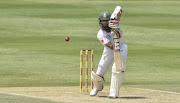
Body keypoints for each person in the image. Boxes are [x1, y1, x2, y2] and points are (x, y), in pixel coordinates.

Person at [90, 6, 128, 98]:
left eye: (106, 20)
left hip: (121, 48)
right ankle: (97, 87)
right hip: (109, 50)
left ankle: (113, 93)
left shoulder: (116, 26)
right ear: (100, 22)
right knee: (98, 74)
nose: (105, 22)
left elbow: (119, 9)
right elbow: (111, 46)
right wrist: (116, 35)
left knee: (118, 68)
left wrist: (116, 30)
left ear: (110, 21)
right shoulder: (100, 34)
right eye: (103, 21)